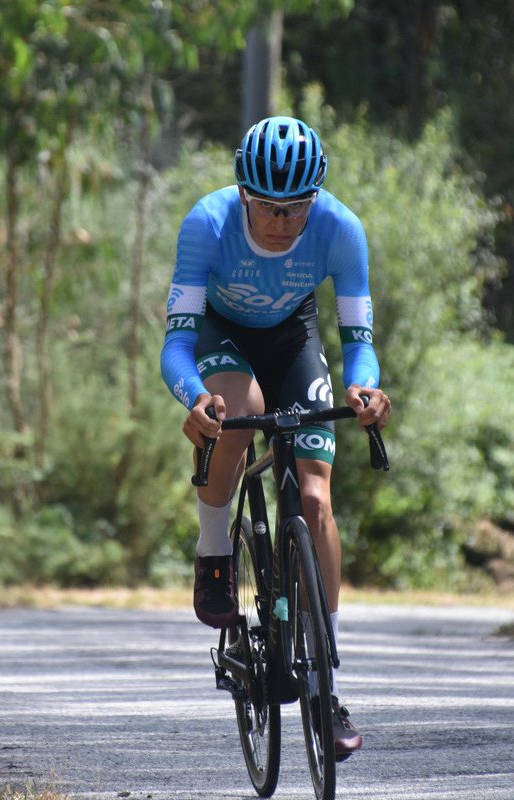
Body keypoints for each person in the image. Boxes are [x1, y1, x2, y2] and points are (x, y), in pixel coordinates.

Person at [160, 115, 391, 758]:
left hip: (294, 336)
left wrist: (366, 391)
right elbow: (176, 344)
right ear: (243, 194)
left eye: (296, 210)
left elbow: (359, 344)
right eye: (267, 208)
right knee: (239, 407)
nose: (283, 224)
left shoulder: (341, 229)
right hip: (220, 336)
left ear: (315, 198)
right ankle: (214, 552)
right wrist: (194, 398)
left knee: (315, 500)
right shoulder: (207, 223)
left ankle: (324, 685)